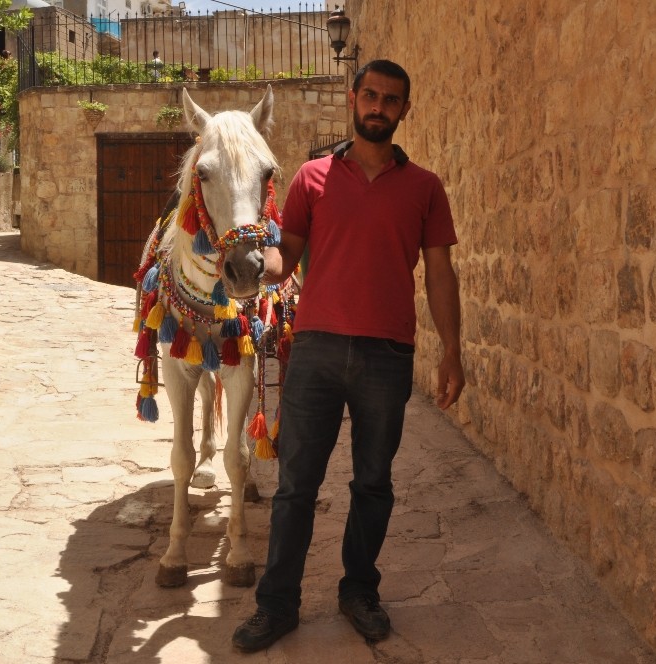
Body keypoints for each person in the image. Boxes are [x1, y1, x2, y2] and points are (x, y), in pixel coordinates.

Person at [232, 59, 465, 653]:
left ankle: (359, 590)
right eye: (370, 95)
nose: (378, 107)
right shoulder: (311, 178)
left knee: (373, 484)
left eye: (391, 100)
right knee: (294, 488)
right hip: (314, 352)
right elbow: (287, 257)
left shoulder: (425, 188)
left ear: (404, 110)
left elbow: (440, 274)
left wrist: (452, 352)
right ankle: (277, 605)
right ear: (352, 99)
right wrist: (257, 268)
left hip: (388, 355)